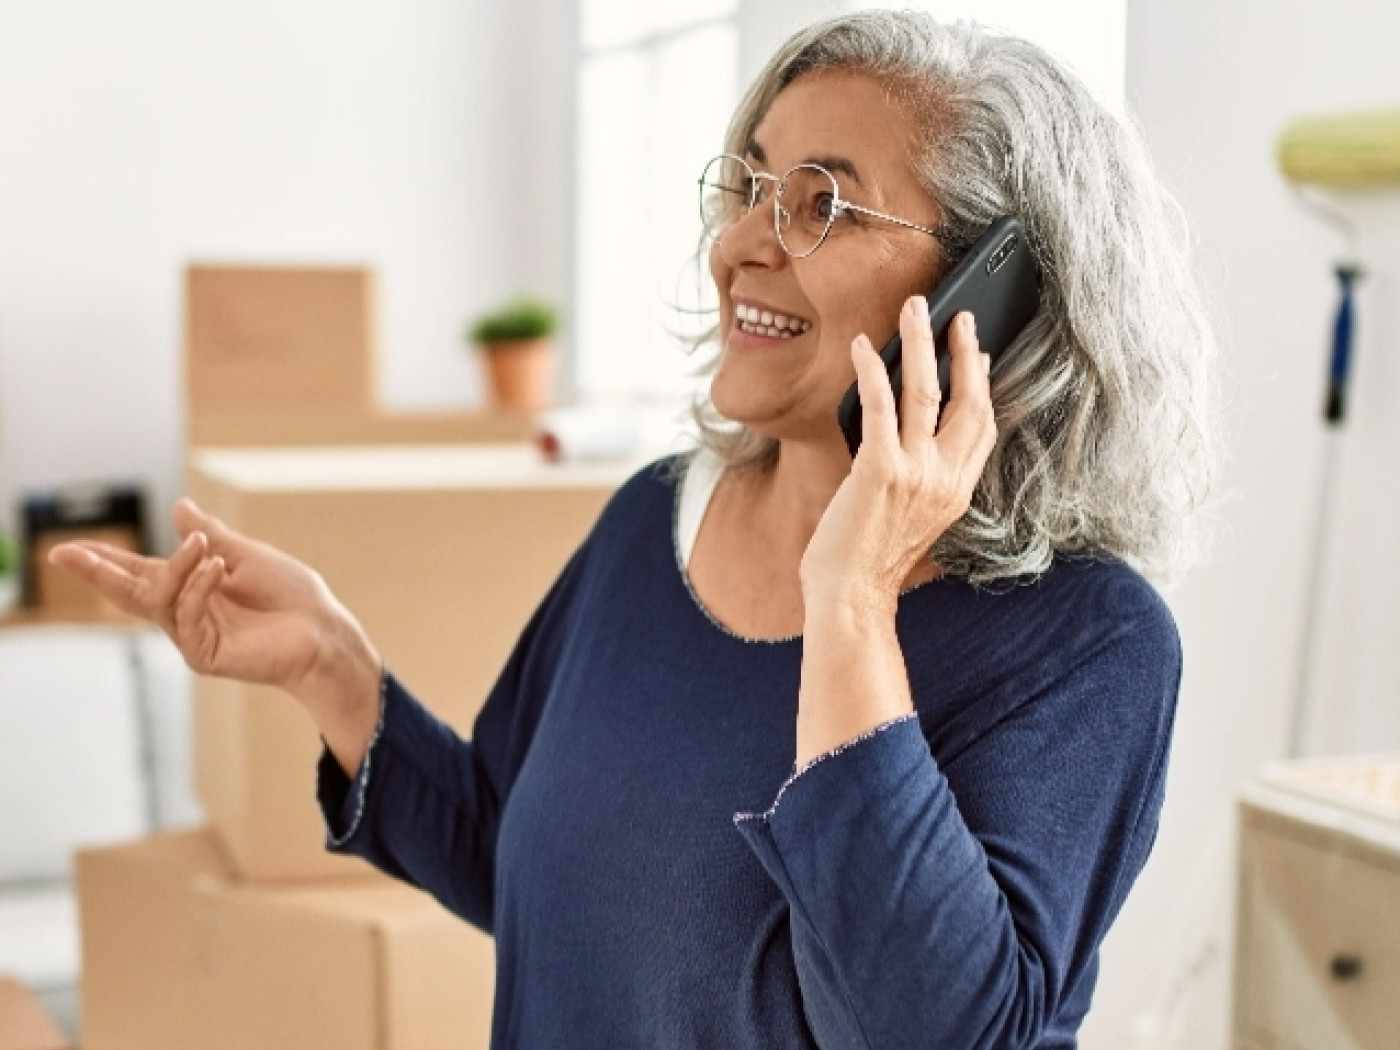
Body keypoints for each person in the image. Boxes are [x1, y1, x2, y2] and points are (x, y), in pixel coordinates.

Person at [51, 10, 1217, 1049]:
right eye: (750, 187)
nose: (742, 245)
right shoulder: (652, 522)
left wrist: (850, 603)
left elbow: (927, 1030)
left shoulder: (1087, 644)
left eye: (821, 204)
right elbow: (521, 867)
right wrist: (332, 665)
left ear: (986, 296)